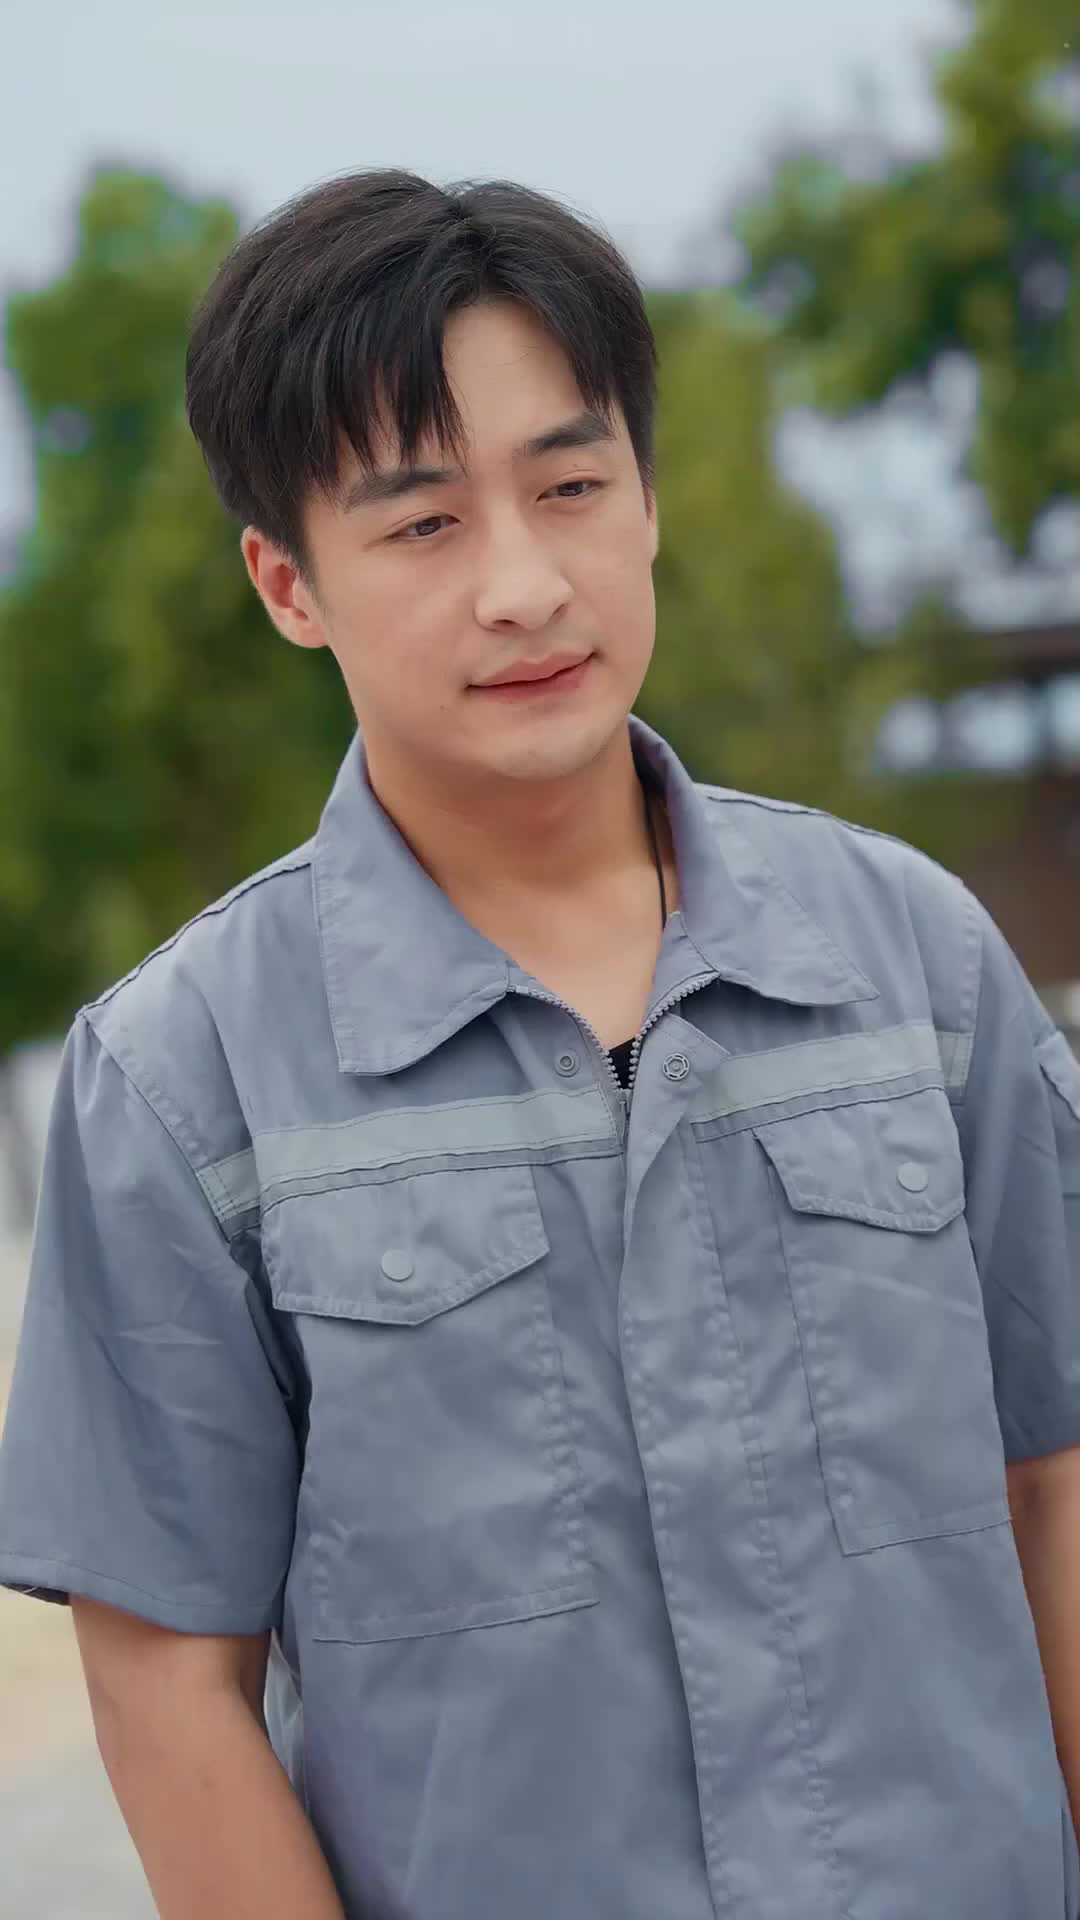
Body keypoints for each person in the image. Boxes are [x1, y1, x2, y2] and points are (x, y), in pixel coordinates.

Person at [1, 168, 1079, 1920]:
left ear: (645, 498)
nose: (522, 584)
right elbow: (169, 1686)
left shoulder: (918, 964)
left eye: (570, 487)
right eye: (423, 524)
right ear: (287, 582)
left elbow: (1056, 1483)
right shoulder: (184, 1084)